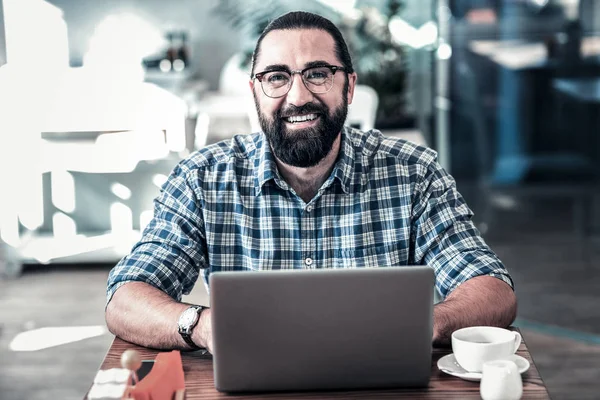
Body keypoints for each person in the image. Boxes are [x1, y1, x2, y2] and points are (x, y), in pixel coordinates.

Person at [105, 11, 516, 354]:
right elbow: (125, 299)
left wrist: (424, 324)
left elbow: (493, 290)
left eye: (318, 74)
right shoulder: (202, 180)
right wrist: (199, 324)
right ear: (256, 91)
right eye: (276, 77)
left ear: (349, 85)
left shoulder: (414, 173)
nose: (298, 96)